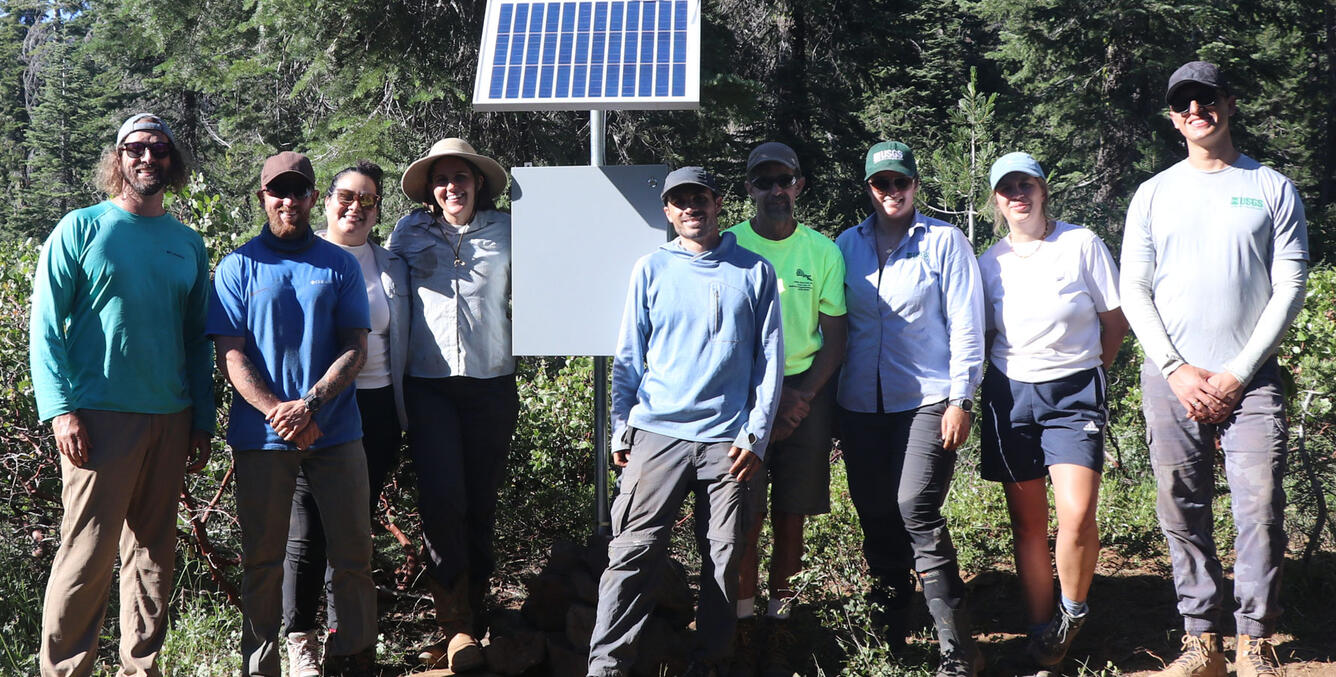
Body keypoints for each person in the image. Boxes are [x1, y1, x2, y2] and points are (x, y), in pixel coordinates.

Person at [1121, 61, 1308, 677]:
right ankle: (1202, 641)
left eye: (1206, 100)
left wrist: (1235, 373)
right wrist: (1175, 368)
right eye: (1183, 105)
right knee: (1180, 505)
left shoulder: (1271, 187)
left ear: (1229, 104)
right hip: (1170, 378)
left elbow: (1290, 286)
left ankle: (1255, 640)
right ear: (1172, 117)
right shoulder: (1153, 193)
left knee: (1259, 506)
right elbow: (1134, 288)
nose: (1195, 112)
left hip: (1249, 381)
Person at [30, 113, 213, 677]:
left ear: (172, 162)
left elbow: (195, 338)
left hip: (171, 417)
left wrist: (201, 420)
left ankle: (142, 667)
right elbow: (44, 326)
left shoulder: (187, 243)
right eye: (136, 148)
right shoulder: (81, 227)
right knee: (85, 555)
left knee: (154, 557)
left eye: (160, 149)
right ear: (118, 157)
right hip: (99, 420)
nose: (148, 158)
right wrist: (60, 409)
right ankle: (64, 670)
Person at [587, 167, 783, 677]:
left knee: (723, 557)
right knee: (632, 552)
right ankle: (607, 665)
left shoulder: (754, 271)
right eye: (680, 201)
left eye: (700, 197)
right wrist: (620, 425)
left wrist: (756, 433)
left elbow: (770, 362)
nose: (691, 207)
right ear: (668, 212)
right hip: (657, 432)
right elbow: (629, 356)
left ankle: (711, 660)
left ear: (719, 203)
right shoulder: (650, 269)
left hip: (729, 440)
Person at [208, 151, 377, 676]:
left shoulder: (340, 264)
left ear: (311, 198)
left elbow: (355, 347)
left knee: (352, 556)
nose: (289, 201)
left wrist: (309, 405)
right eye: (278, 191)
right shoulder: (237, 266)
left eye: (299, 191)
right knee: (262, 559)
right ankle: (261, 666)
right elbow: (230, 353)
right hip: (260, 439)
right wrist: (278, 412)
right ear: (262, 197)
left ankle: (353, 657)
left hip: (336, 429)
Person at [835, 141, 985, 676]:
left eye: (900, 182)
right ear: (869, 189)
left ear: (915, 185)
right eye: (881, 184)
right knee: (875, 515)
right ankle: (890, 634)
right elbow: (834, 325)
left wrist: (961, 399)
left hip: (926, 398)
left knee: (914, 508)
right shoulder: (845, 246)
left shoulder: (944, 242)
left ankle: (958, 650)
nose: (891, 192)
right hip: (857, 403)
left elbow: (967, 326)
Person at [976, 152, 1128, 668]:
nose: (1018, 194)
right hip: (1009, 394)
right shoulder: (987, 261)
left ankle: (1073, 610)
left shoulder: (1080, 244)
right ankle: (1045, 636)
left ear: (1043, 190)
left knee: (1078, 513)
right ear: (996, 200)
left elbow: (1114, 320)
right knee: (1027, 524)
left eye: (1027, 185)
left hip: (1073, 395)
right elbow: (984, 334)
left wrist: (1093, 370)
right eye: (1007, 188)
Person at [388, 137, 519, 671]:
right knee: (443, 501)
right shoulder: (409, 232)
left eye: (460, 178)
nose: (451, 187)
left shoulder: (509, 230)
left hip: (492, 382)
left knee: (481, 501)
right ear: (430, 190)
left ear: (478, 183)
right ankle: (455, 624)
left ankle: (479, 613)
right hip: (429, 386)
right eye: (441, 180)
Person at [282, 161, 410, 675]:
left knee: (353, 530)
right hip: (316, 410)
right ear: (324, 199)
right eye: (346, 196)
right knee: (306, 528)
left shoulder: (390, 265)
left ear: (379, 210)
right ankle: (299, 640)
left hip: (377, 409)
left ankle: (346, 639)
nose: (356, 207)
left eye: (368, 200)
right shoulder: (303, 255)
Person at [725, 141, 846, 674]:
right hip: (743, 392)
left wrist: (800, 398)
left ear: (799, 185)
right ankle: (745, 623)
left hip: (804, 390)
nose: (775, 190)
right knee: (744, 514)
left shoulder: (822, 251)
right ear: (748, 188)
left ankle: (781, 621)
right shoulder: (729, 244)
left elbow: (836, 335)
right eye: (763, 181)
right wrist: (762, 401)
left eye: (785, 180)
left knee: (791, 515)